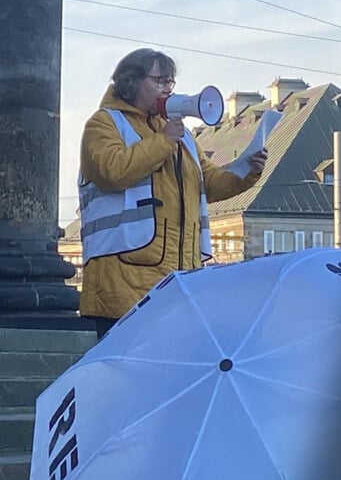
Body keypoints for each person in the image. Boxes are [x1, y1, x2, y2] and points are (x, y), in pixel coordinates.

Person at [78, 48, 266, 338]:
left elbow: (210, 183)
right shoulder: (104, 124)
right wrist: (163, 141)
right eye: (160, 81)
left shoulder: (180, 136)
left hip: (176, 285)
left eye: (170, 82)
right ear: (132, 82)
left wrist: (247, 169)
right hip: (123, 287)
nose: (167, 88)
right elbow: (111, 171)